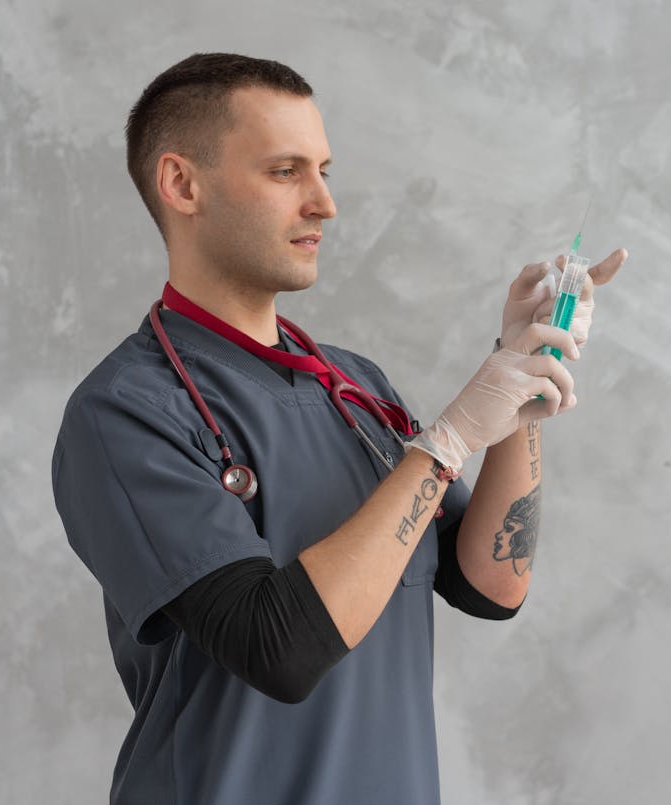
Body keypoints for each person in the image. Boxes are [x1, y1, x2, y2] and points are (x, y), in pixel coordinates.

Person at [52, 52, 625, 805]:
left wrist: (517, 378)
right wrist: (448, 439)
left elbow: (490, 585)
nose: (324, 202)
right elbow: (279, 647)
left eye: (325, 170)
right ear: (182, 184)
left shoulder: (354, 387)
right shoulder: (124, 412)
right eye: (287, 171)